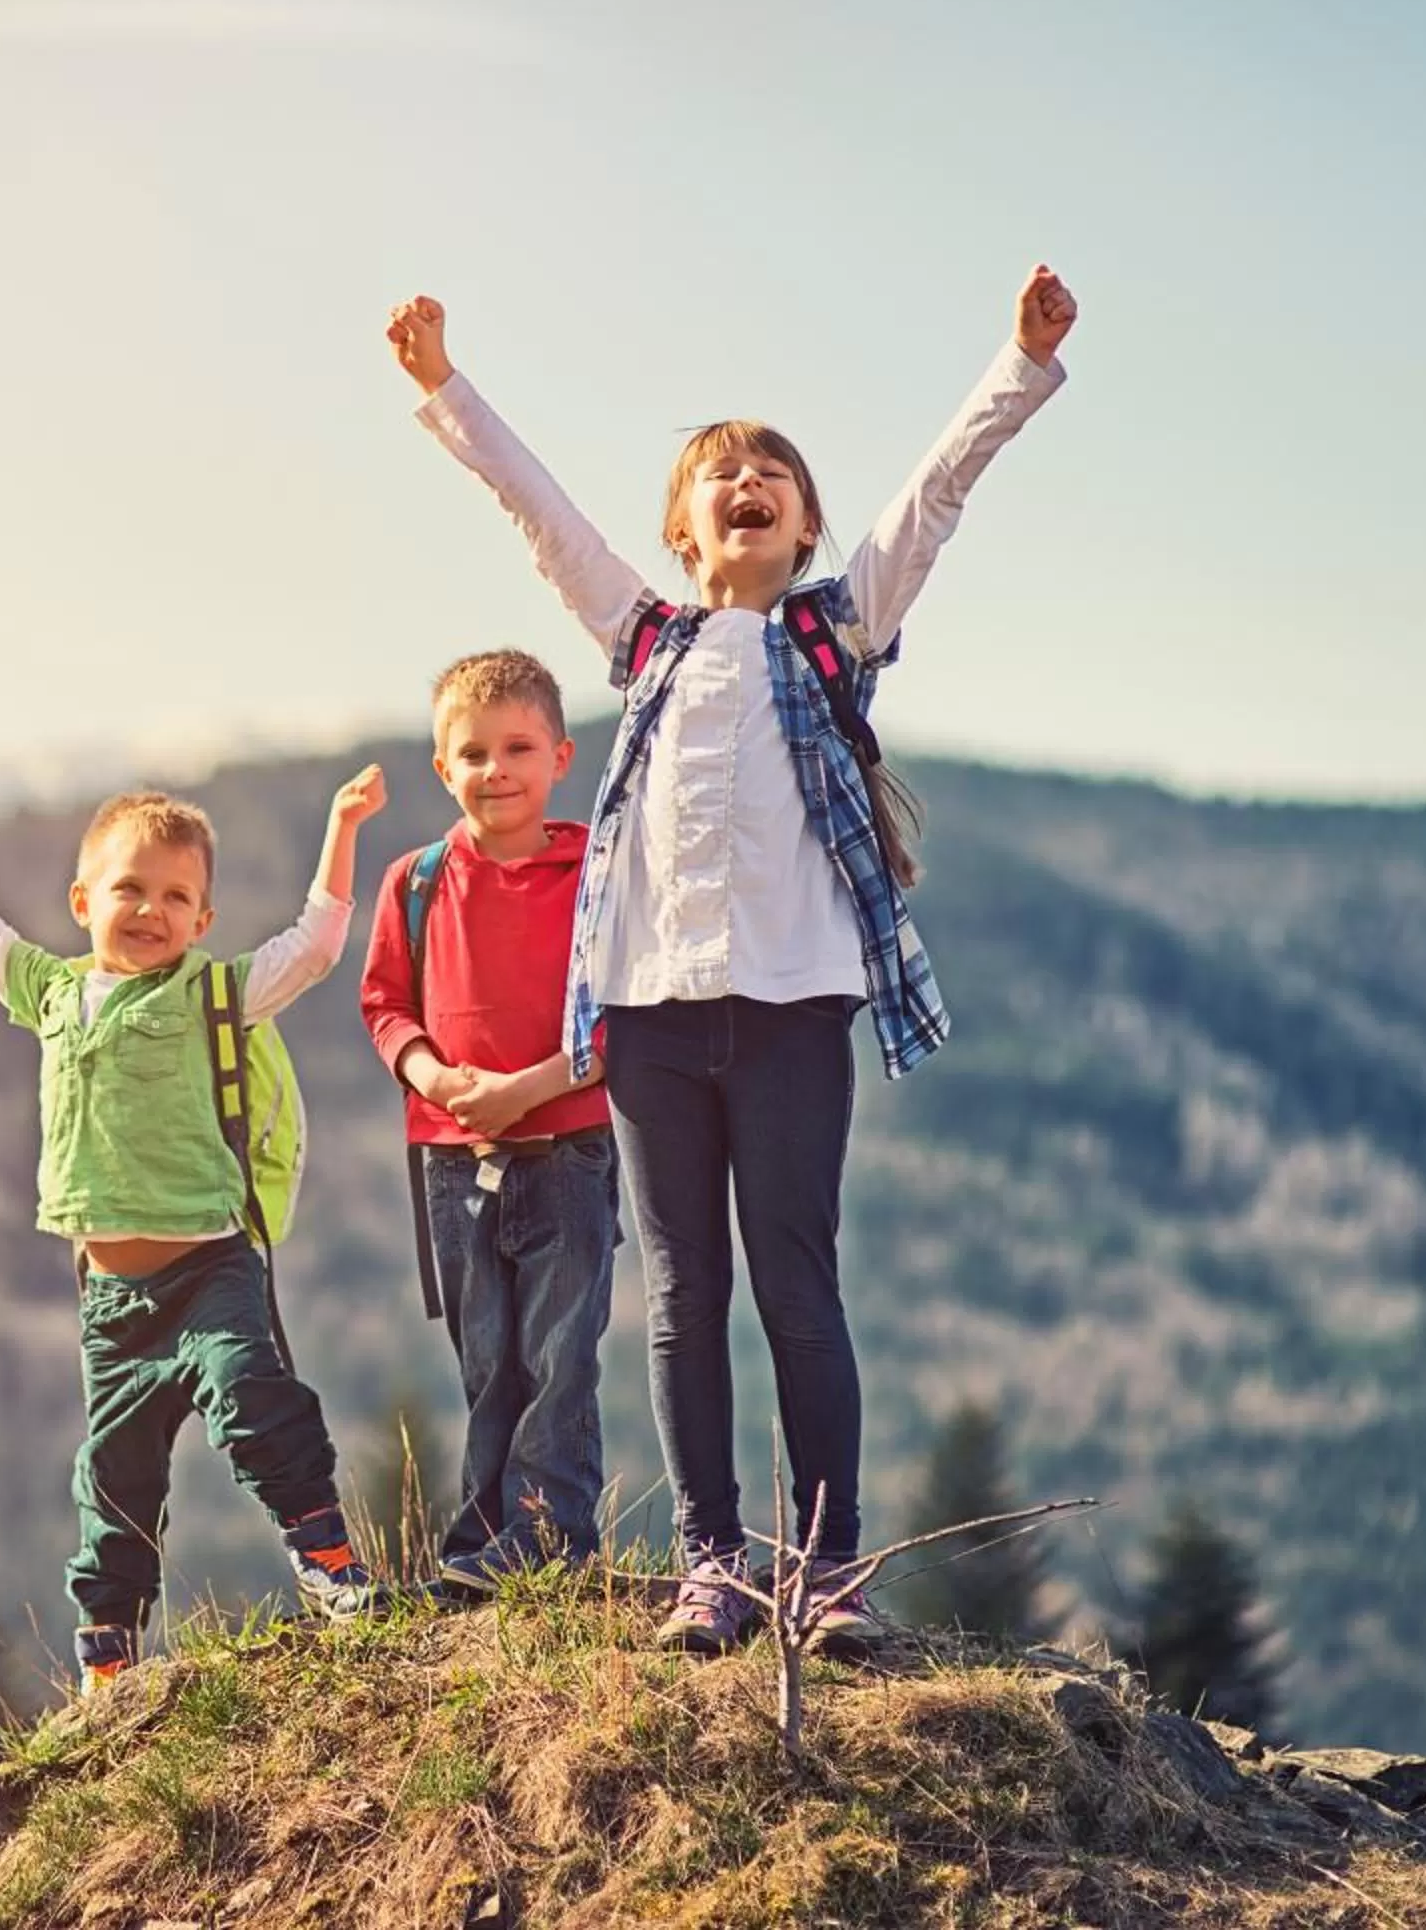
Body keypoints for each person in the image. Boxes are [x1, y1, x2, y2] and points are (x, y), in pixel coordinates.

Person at [383, 267, 1079, 1653]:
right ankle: (710, 1557)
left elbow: (935, 495)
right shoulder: (642, 639)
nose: (746, 480)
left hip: (790, 1012)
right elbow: (541, 516)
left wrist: (1021, 359)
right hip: (647, 1021)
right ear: (681, 531)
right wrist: (445, 390)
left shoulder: (835, 631)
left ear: (807, 522)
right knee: (683, 1288)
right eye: (718, 472)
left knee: (796, 1278)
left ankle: (827, 1569)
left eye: (773, 470)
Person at [0, 768, 390, 1691]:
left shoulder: (212, 997)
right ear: (83, 899)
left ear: (203, 922)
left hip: (211, 1269)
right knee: (115, 1476)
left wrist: (340, 827)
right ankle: (109, 1648)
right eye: (130, 888)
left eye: (177, 897)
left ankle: (328, 1561)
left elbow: (316, 947)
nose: (151, 910)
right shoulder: (51, 993)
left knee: (252, 1395)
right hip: (111, 1302)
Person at [358, 649, 616, 1599]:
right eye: (471, 753)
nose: (494, 770)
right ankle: (482, 1547)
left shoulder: (596, 870)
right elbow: (386, 1004)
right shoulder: (416, 882)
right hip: (452, 1160)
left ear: (560, 756)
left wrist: (531, 1088)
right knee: (487, 1358)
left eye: (517, 748)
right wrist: (432, 1075)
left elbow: (624, 1010)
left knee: (559, 1352)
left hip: (569, 1151)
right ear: (441, 767)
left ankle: (551, 1543)